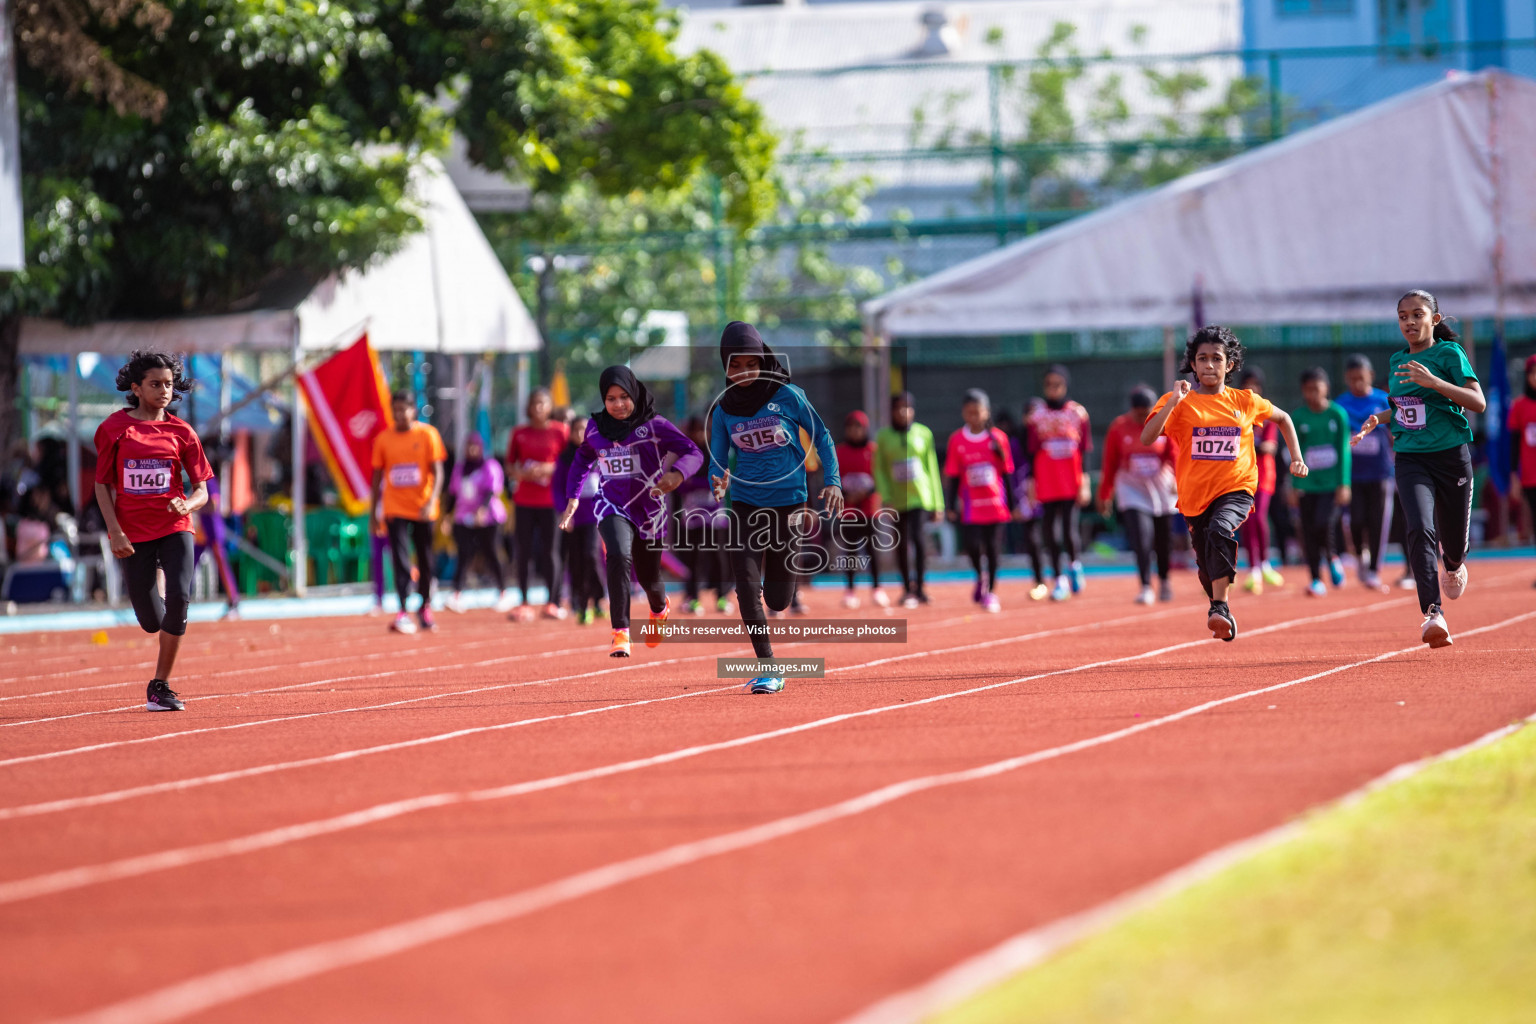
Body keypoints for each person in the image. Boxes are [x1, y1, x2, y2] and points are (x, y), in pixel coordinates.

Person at [1142, 326, 1308, 641]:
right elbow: (1148, 437)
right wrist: (1172, 402)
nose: (1208, 365)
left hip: (1238, 488)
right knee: (1206, 566)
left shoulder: (1245, 401)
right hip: (1194, 497)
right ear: (1192, 364)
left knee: (1221, 530)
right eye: (1202, 358)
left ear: (1229, 365)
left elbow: (1284, 419)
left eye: (1216, 359)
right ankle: (1221, 609)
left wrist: (1297, 457)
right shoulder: (1178, 402)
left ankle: (1219, 606)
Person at [708, 321, 842, 694]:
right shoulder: (722, 410)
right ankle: (768, 667)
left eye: (750, 363)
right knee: (746, 586)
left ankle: (783, 587)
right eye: (734, 366)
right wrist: (717, 480)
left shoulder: (788, 395)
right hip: (747, 506)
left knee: (779, 599)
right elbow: (717, 458)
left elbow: (824, 437)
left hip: (789, 504)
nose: (743, 373)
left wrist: (832, 480)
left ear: (763, 359)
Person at [1351, 290, 1485, 647]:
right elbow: (1404, 408)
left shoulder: (1449, 354)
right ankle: (1433, 613)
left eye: (1417, 314)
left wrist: (1436, 382)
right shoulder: (1397, 361)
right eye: (1403, 316)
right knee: (1420, 528)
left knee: (1453, 544)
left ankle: (1454, 564)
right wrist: (1377, 419)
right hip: (1411, 458)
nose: (1409, 322)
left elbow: (1478, 402)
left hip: (1451, 457)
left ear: (1434, 320)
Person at [92, 350, 214, 711]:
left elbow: (202, 490)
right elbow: (102, 485)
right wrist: (115, 532)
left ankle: (160, 686)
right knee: (152, 621)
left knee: (180, 601)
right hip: (133, 534)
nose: (164, 391)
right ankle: (156, 575)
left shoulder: (182, 432)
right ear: (136, 388)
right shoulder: (113, 429)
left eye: (169, 384)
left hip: (175, 527)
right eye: (155, 384)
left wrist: (187, 505)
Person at [561, 367, 701, 658]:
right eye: (611, 399)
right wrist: (572, 497)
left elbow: (693, 452)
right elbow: (583, 458)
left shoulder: (655, 426)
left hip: (650, 509)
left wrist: (677, 474)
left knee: (650, 578)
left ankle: (659, 608)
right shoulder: (595, 428)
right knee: (619, 555)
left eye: (624, 397)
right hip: (611, 504)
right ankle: (621, 632)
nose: (618, 404)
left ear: (634, 394)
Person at [371, 392, 447, 635]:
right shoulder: (383, 438)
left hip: (423, 508)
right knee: (400, 559)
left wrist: (432, 501)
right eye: (395, 410)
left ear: (414, 410)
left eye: (404, 409)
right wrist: (375, 512)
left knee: (425, 559)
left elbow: (438, 472)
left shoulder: (428, 435)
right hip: (395, 507)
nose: (399, 414)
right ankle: (403, 609)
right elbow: (377, 477)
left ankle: (424, 606)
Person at [1099, 386, 1178, 605]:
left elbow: (1176, 454)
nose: (1143, 417)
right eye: (1139, 412)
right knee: (1141, 537)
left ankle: (1164, 580)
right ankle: (1145, 585)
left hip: (1160, 486)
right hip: (1131, 488)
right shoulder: (1118, 428)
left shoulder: (1164, 422)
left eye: (1147, 412)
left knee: (1163, 540)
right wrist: (1105, 494)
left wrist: (1179, 481)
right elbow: (1110, 463)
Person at [944, 388, 1015, 614]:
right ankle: (980, 576)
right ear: (964, 413)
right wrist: (950, 505)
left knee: (994, 548)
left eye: (978, 412)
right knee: (973, 546)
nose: (974, 417)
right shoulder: (957, 440)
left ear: (986, 412)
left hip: (995, 505)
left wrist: (1012, 504)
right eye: (969, 412)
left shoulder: (999, 438)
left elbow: (1007, 473)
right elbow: (953, 475)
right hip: (971, 506)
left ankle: (991, 591)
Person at [1025, 365, 1092, 601]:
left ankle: (1074, 565)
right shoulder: (1036, 416)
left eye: (1058, 384)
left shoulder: (1078, 414)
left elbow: (1084, 450)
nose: (1053, 389)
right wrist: (1032, 484)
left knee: (1068, 529)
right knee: (1050, 532)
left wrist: (1084, 482)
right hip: (1046, 480)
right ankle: (1058, 579)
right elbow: (1031, 452)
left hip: (1070, 480)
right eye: (1049, 385)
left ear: (1065, 385)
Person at [873, 392, 944, 609]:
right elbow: (879, 470)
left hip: (921, 496)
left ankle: (920, 588)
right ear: (892, 412)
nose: (904, 412)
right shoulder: (883, 437)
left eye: (908, 407)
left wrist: (937, 503)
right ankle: (906, 589)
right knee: (901, 544)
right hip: (896, 500)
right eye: (899, 408)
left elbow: (931, 467)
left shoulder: (924, 433)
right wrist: (885, 497)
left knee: (919, 540)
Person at [507, 388, 569, 621]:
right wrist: (521, 473)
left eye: (543, 403)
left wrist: (547, 468)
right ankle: (523, 602)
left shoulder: (560, 431)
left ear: (550, 406)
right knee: (522, 551)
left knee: (550, 551)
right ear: (529, 407)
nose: (539, 408)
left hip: (551, 501)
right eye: (535, 404)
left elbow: (569, 463)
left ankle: (552, 602)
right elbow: (510, 465)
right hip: (524, 500)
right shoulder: (519, 433)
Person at [1290, 368, 1352, 597]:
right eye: (1308, 390)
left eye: (1317, 388)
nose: (1313, 394)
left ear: (1325, 388)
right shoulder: (1298, 417)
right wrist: (1293, 486)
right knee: (1307, 532)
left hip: (1330, 484)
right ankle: (1316, 579)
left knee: (1323, 523)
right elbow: (1292, 454)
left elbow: (1344, 450)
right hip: (1306, 485)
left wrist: (1344, 483)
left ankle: (1333, 556)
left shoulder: (1337, 415)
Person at [1337, 354, 1396, 590]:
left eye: (1361, 378)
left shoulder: (1384, 400)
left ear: (1370, 376)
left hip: (1381, 472)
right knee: (1355, 520)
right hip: (1353, 475)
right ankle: (1361, 554)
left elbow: (1395, 431)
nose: (1357, 383)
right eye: (1352, 379)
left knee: (1378, 522)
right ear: (1346, 379)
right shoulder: (1341, 405)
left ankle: (1374, 570)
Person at [672, 416, 734, 617]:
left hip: (715, 514)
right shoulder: (686, 455)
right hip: (692, 515)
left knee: (718, 555)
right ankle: (692, 597)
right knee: (693, 556)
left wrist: (694, 482)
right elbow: (678, 484)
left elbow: (720, 481)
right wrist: (694, 482)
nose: (699, 435)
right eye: (694, 431)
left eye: (702, 431)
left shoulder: (716, 454)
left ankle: (722, 596)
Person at [446, 432, 514, 614]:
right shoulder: (460, 468)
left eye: (475, 446)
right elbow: (453, 493)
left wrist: (481, 511)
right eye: (469, 445)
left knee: (491, 553)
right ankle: (457, 594)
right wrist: (447, 516)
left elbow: (492, 491)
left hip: (489, 517)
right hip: (463, 517)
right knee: (463, 554)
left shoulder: (490, 466)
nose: (472, 449)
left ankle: (502, 592)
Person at [554, 414, 606, 625]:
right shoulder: (565, 458)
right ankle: (582, 604)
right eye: (575, 430)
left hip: (595, 516)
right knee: (575, 561)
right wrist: (564, 512)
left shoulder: (600, 456)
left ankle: (596, 599)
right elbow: (557, 489)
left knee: (591, 556)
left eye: (583, 430)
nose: (579, 434)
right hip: (573, 519)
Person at [1236, 368, 1285, 594]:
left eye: (1255, 384)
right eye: (1247, 384)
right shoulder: (1236, 412)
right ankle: (1255, 568)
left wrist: (1248, 445)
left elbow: (1269, 447)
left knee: (1259, 516)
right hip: (1241, 476)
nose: (1251, 389)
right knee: (1247, 520)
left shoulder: (1266, 412)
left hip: (1264, 476)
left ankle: (1264, 564)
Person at [834, 410, 889, 609]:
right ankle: (850, 591)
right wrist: (847, 495)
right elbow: (834, 478)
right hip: (848, 509)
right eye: (850, 428)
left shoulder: (873, 451)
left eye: (858, 427)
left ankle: (877, 589)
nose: (854, 431)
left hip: (869, 509)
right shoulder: (839, 451)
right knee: (850, 551)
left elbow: (880, 477)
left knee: (872, 550)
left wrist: (866, 493)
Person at [1510, 355, 1536, 587]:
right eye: (1533, 373)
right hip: (1530, 475)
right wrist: (1513, 476)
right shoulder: (1519, 406)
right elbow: (1514, 444)